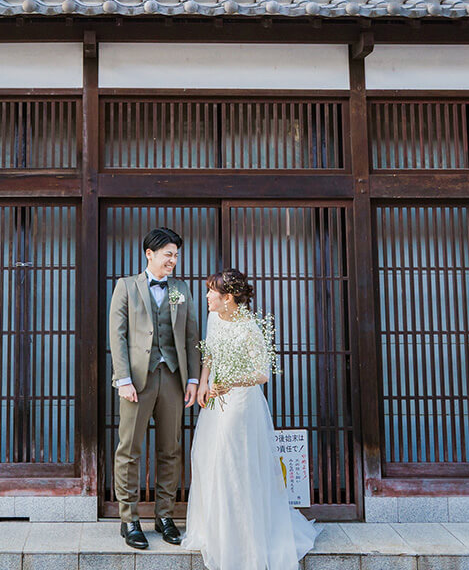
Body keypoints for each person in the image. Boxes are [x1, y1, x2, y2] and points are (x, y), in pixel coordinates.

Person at [182, 268, 319, 570]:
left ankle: (243, 539)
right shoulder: (214, 318)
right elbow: (210, 356)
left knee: (235, 466)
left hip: (240, 405)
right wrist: (205, 383)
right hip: (216, 399)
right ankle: (213, 529)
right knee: (209, 460)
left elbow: (261, 374)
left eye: (211, 292)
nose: (206, 296)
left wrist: (229, 381)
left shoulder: (250, 329)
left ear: (227, 297)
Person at [108, 226, 201, 549]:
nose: (173, 261)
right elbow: (117, 336)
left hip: (173, 379)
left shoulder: (181, 289)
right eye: (167, 255)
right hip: (136, 380)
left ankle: (165, 516)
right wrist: (122, 379)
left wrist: (192, 379)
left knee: (170, 450)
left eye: (176, 255)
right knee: (129, 449)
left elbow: (191, 336)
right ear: (149, 254)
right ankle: (129, 519)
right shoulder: (126, 287)